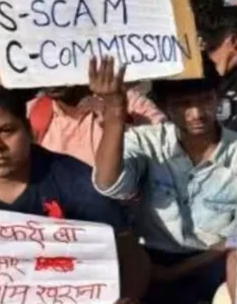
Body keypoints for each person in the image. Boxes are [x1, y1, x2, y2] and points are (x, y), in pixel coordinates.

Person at [0, 79, 150, 301]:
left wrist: (127, 296)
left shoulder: (73, 178)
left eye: (6, 131)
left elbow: (126, 247)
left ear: (29, 131)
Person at [91, 56, 237, 304]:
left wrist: (176, 272)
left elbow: (234, 240)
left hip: (215, 263)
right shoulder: (145, 141)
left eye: (206, 100)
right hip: (150, 261)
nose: (197, 113)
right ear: (165, 107)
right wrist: (115, 114)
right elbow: (109, 185)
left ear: (217, 98)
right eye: (183, 104)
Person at [28, 83, 165, 166]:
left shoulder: (127, 102)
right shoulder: (31, 113)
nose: (54, 77)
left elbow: (167, 145)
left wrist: (113, 118)